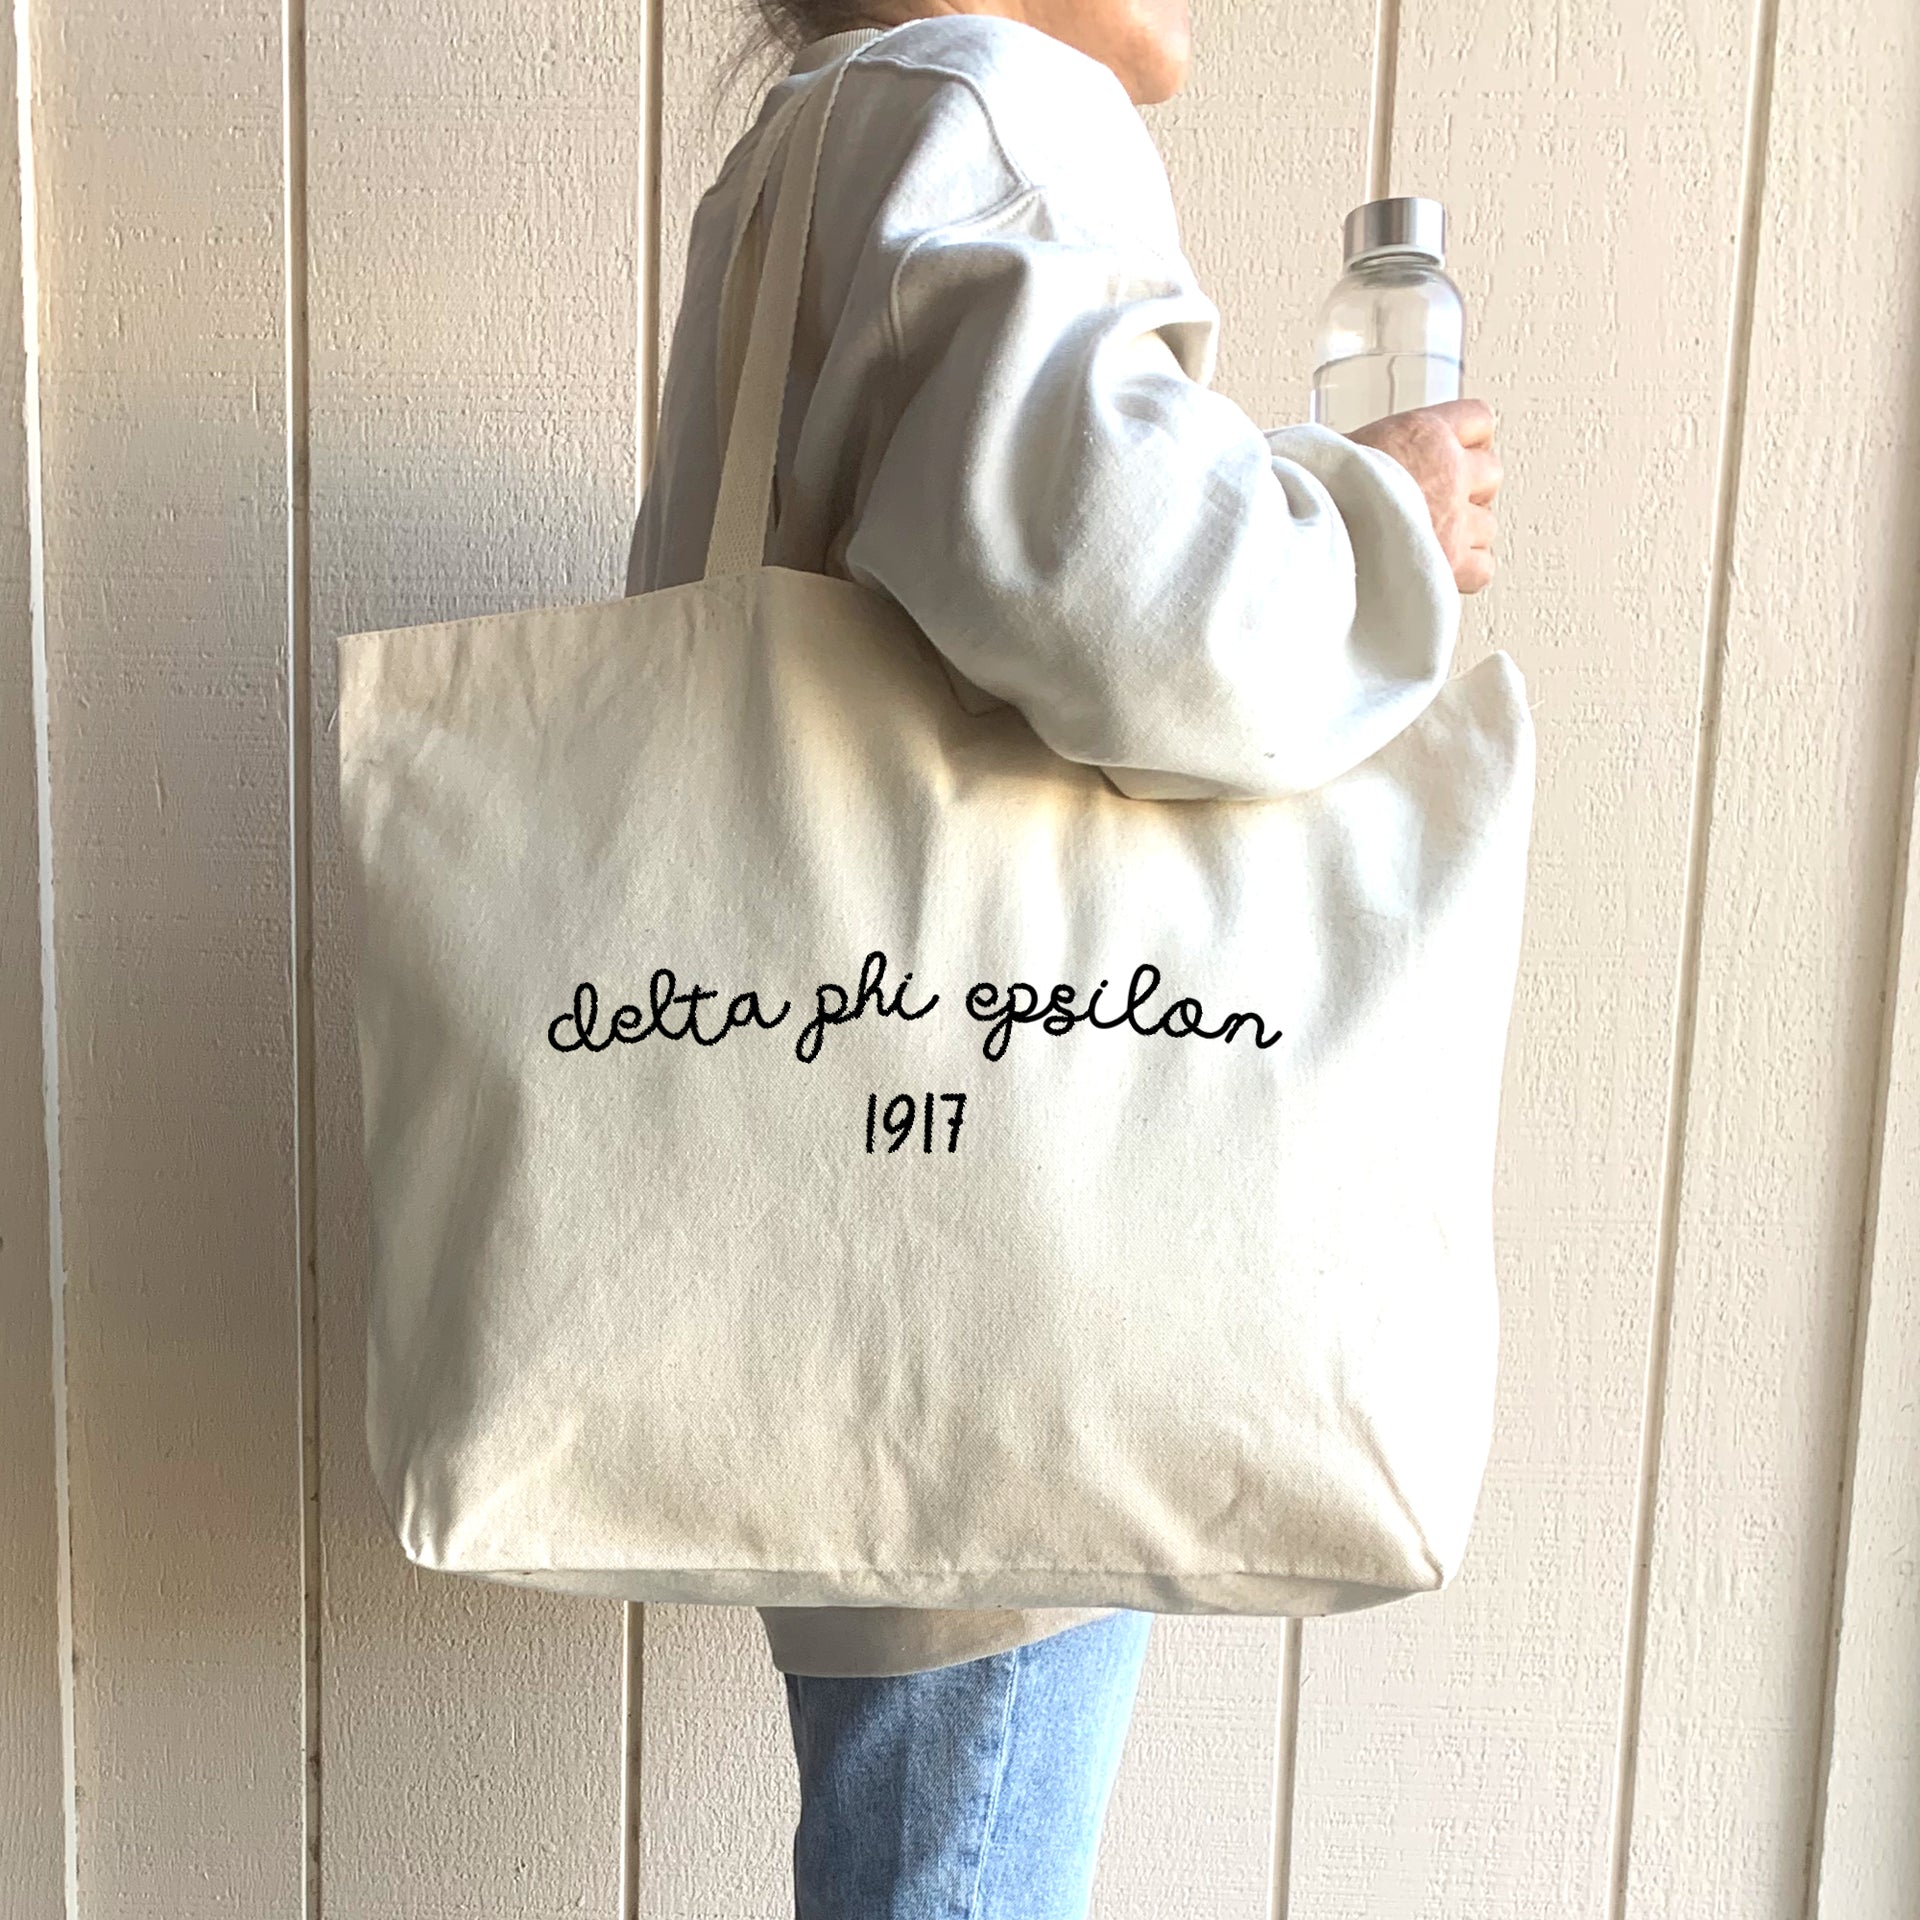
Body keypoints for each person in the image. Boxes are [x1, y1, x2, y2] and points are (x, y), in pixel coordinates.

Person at [626, 4, 1502, 1913]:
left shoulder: (813, 141)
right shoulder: (998, 106)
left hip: (851, 1191)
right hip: (1009, 1226)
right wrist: (1386, 525)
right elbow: (1142, 615)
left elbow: (996, 544)